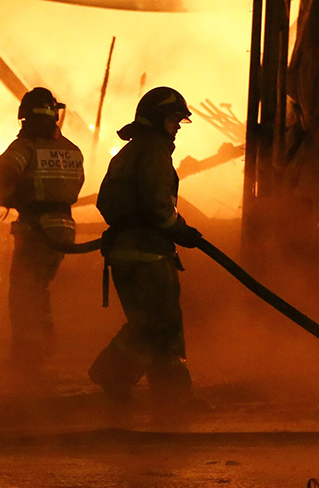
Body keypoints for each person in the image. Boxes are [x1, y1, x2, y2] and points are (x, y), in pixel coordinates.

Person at [88, 86, 206, 408]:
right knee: (163, 326)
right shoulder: (155, 153)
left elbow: (104, 202)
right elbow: (158, 207)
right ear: (156, 120)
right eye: (173, 120)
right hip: (150, 256)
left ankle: (124, 380)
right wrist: (182, 231)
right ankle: (170, 398)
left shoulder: (126, 153)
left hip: (125, 255)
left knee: (148, 324)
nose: (177, 127)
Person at [0, 87, 85, 369]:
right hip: (64, 229)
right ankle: (41, 346)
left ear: (25, 118)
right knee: (39, 288)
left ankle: (26, 355)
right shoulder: (71, 150)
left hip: (36, 229)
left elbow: (4, 174)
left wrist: (10, 196)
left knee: (22, 291)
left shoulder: (26, 146)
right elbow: (76, 186)